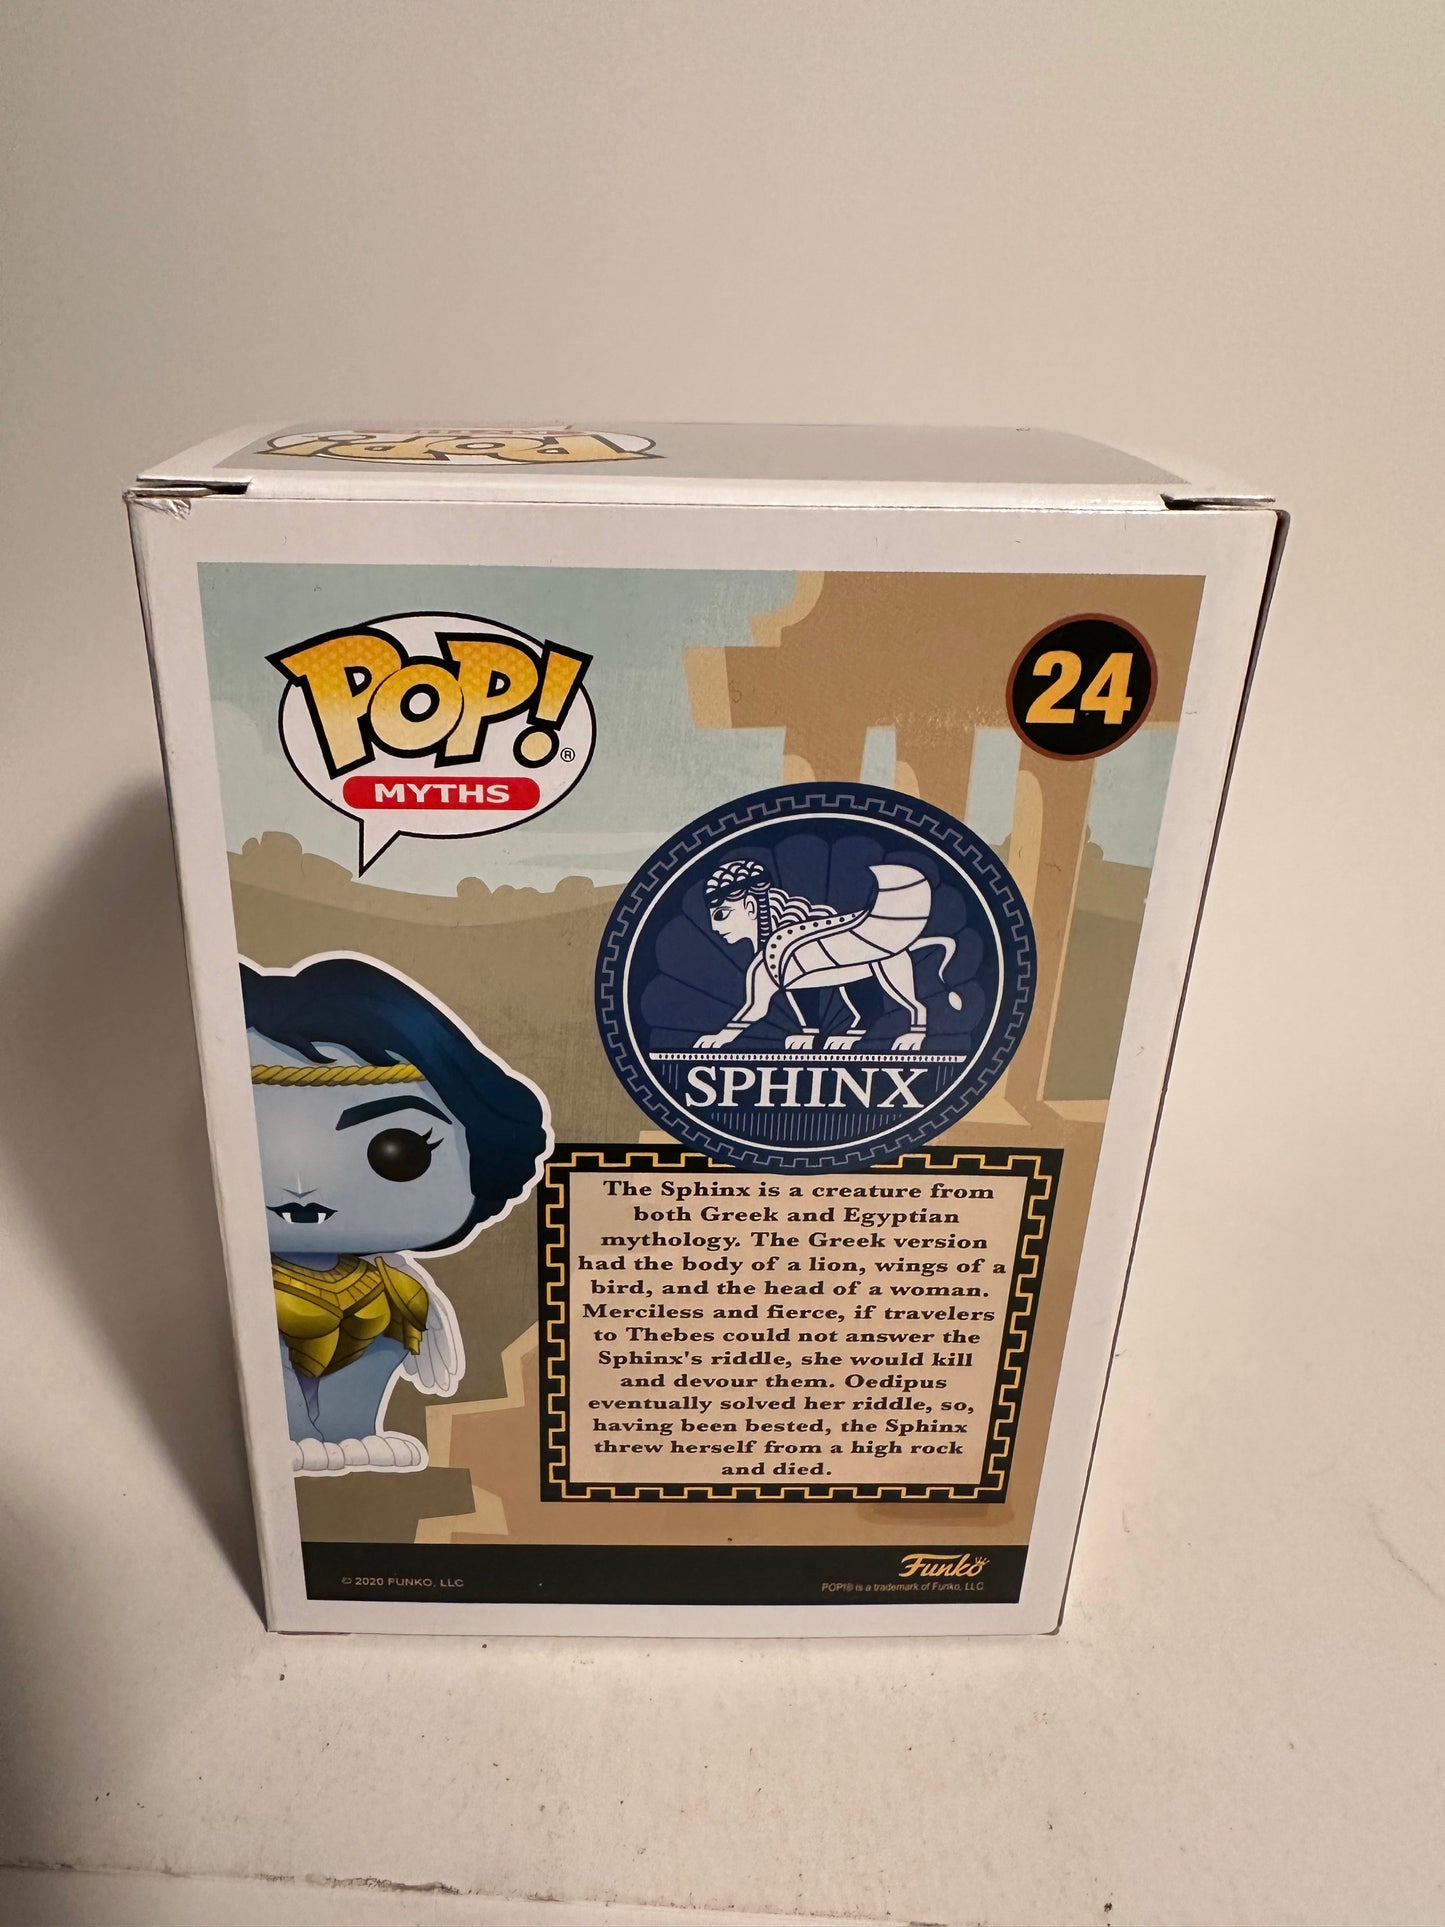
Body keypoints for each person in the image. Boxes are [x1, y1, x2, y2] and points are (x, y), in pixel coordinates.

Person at [241, 953, 550, 1475]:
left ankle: (351, 1429)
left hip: (368, 1306)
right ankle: (291, 1430)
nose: (301, 1187)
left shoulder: (392, 1279)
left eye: (399, 1150)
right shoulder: (220, 1276)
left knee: (391, 1316)